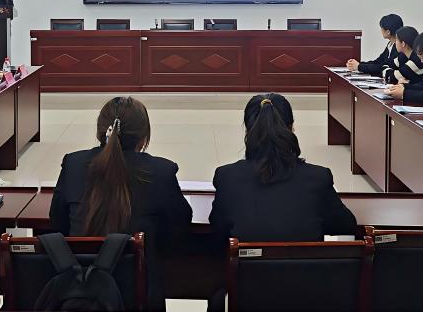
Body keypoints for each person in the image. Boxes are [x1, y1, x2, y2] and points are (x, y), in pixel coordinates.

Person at [49, 96, 192, 309]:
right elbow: (179, 227)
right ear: (143, 138)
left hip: (79, 293)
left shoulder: (73, 165)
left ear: (100, 131)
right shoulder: (161, 172)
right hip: (139, 296)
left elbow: (58, 223)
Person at [209, 93, 356, 242]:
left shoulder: (227, 177)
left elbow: (218, 229)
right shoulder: (318, 178)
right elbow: (346, 226)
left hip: (246, 258)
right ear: (291, 128)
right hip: (306, 258)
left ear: (247, 130)